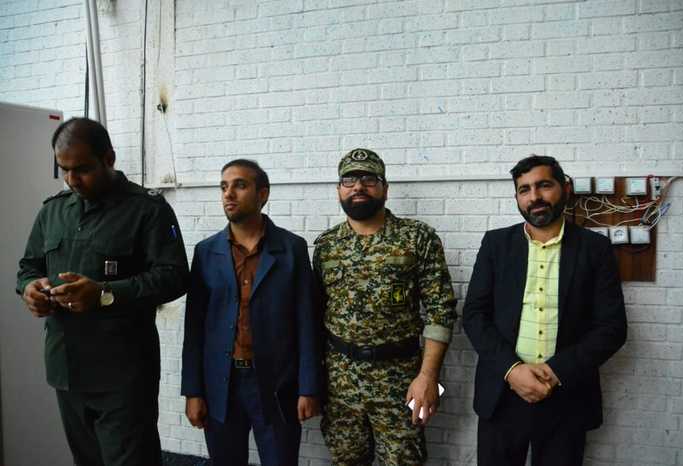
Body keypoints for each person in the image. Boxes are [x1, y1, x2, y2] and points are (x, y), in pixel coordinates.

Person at [17, 117, 189, 466]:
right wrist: (30, 289)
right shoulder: (53, 211)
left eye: (82, 169)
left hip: (122, 374)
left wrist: (104, 293)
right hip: (67, 368)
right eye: (64, 169)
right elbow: (28, 267)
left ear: (108, 158)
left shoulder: (147, 210)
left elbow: (174, 277)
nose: (72, 179)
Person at [462, 155, 627, 466]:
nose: (534, 196)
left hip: (566, 394)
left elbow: (612, 328)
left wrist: (554, 372)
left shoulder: (595, 248)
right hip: (502, 392)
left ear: (565, 189)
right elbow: (474, 315)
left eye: (544, 185)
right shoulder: (496, 244)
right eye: (524, 189)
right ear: (517, 197)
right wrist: (513, 370)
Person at [313, 148, 457, 466]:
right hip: (340, 382)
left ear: (385, 188)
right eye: (349, 180)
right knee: (346, 460)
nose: (358, 186)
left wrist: (428, 376)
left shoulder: (417, 238)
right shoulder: (326, 246)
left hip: (401, 379)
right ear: (338, 189)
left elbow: (441, 310)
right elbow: (317, 315)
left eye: (369, 179)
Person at [181, 159, 322, 466]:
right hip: (221, 384)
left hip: (276, 384)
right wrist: (193, 392)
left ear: (263, 194)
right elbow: (194, 328)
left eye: (240, 185)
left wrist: (309, 387)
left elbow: (307, 323)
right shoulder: (206, 252)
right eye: (223, 187)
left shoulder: (292, 248)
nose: (228, 194)